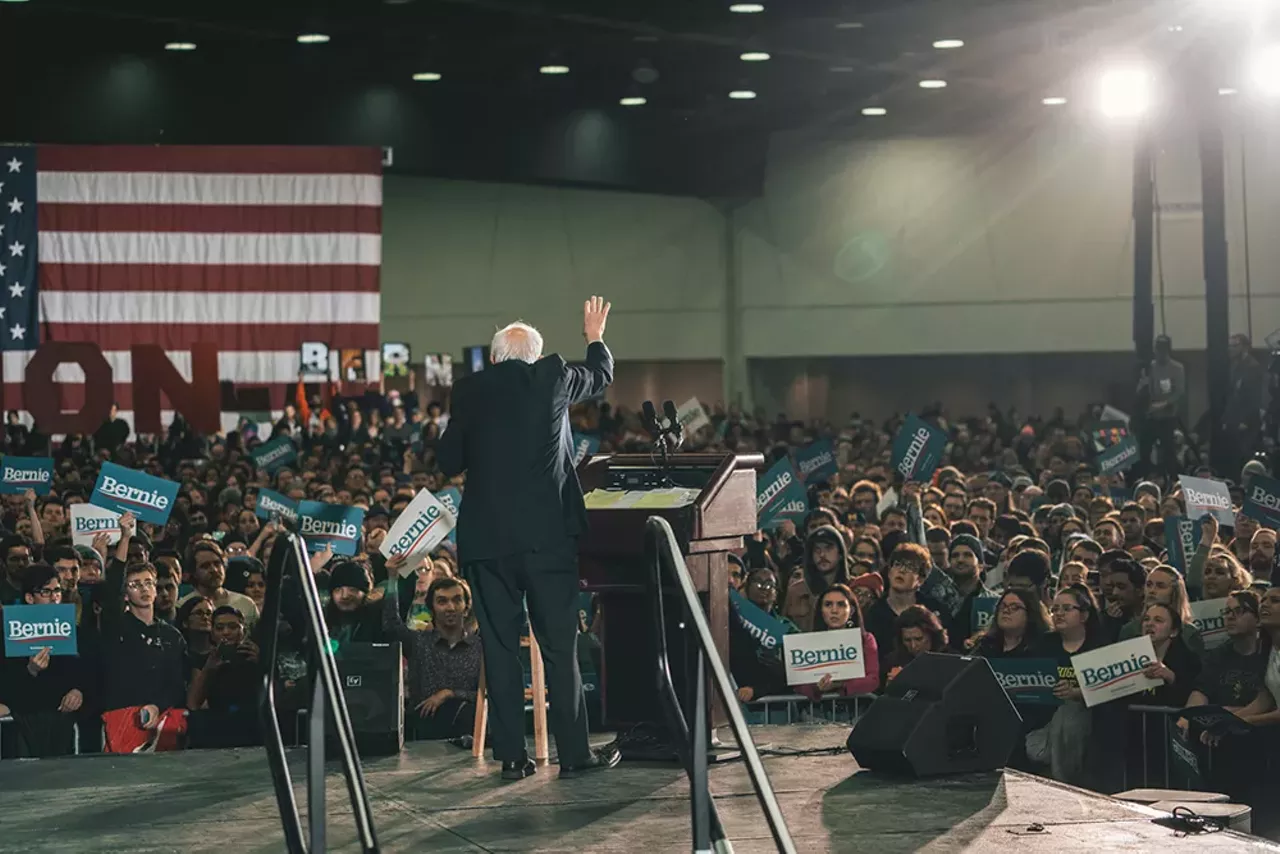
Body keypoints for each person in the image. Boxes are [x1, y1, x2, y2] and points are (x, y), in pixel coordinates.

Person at [436, 296, 619, 781]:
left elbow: (448, 462)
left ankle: (512, 758)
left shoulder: (468, 390)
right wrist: (594, 336)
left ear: (494, 357)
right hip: (547, 540)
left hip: (488, 541)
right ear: (535, 357)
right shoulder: (553, 376)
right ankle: (575, 755)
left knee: (498, 648)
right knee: (560, 648)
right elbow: (600, 375)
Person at [99, 513, 188, 753]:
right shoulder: (116, 626)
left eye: (149, 583)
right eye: (136, 585)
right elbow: (111, 594)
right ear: (126, 594)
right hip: (122, 722)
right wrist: (126, 538)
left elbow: (178, 684)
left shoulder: (172, 636)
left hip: (164, 722)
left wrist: (158, 705)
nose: (144, 589)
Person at [383, 567, 482, 741]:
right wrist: (392, 577)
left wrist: (448, 694)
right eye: (442, 601)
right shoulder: (419, 642)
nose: (450, 607)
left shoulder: (480, 647)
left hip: (470, 733)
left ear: (466, 608)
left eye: (457, 600)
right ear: (432, 609)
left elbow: (487, 695)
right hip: (426, 734)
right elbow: (391, 625)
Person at [0, 565, 85, 757]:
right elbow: (7, 687)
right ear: (30, 598)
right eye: (46, 592)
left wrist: (78, 690)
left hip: (63, 725)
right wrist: (30, 670)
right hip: (25, 729)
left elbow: (87, 672)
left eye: (57, 591)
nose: (54, 597)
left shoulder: (73, 631)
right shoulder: (9, 635)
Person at [1030, 583, 1103, 788]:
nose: (1059, 613)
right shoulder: (1043, 644)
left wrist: (1078, 693)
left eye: (1066, 608)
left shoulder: (1100, 645)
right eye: (1055, 609)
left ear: (1084, 615)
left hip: (1089, 723)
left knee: (1071, 712)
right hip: (1047, 721)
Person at [795, 584, 879, 700]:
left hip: (855, 711)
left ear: (851, 611)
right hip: (816, 712)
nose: (834, 610)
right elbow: (799, 684)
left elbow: (873, 680)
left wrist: (842, 685)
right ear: (821, 610)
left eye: (841, 605)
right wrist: (816, 687)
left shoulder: (865, 640)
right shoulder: (808, 642)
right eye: (828, 605)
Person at [1138, 334, 1185, 479]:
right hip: (1151, 416)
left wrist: (1165, 403)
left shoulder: (1177, 368)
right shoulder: (1150, 367)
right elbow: (1142, 390)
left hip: (1168, 417)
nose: (1160, 353)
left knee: (1168, 451)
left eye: (1163, 350)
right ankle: (1144, 477)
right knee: (1144, 448)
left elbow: (1179, 391)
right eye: (1158, 350)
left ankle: (1172, 479)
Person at [974, 588, 1051, 658]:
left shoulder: (1041, 649)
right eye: (1003, 606)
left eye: (1015, 607)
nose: (1006, 611)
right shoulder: (985, 645)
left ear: (1030, 613)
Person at [883, 605, 948, 685]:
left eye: (918, 639)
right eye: (907, 640)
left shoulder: (951, 660)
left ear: (932, 636)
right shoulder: (893, 661)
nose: (913, 646)